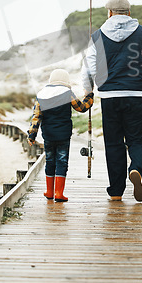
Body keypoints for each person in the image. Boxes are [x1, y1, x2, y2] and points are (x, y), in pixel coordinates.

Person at [82, 0, 142, 202]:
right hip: (139, 95)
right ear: (128, 13)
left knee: (113, 143)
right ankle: (136, 168)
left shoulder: (97, 36)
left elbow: (89, 68)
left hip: (110, 97)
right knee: (138, 139)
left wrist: (88, 91)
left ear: (110, 13)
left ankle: (115, 191)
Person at [27, 68, 94, 202]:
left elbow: (36, 117)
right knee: (62, 161)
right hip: (63, 134)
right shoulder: (67, 93)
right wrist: (90, 97)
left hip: (48, 134)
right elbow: (81, 107)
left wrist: (31, 135)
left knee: (50, 161)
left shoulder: (41, 94)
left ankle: (49, 191)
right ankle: (59, 193)